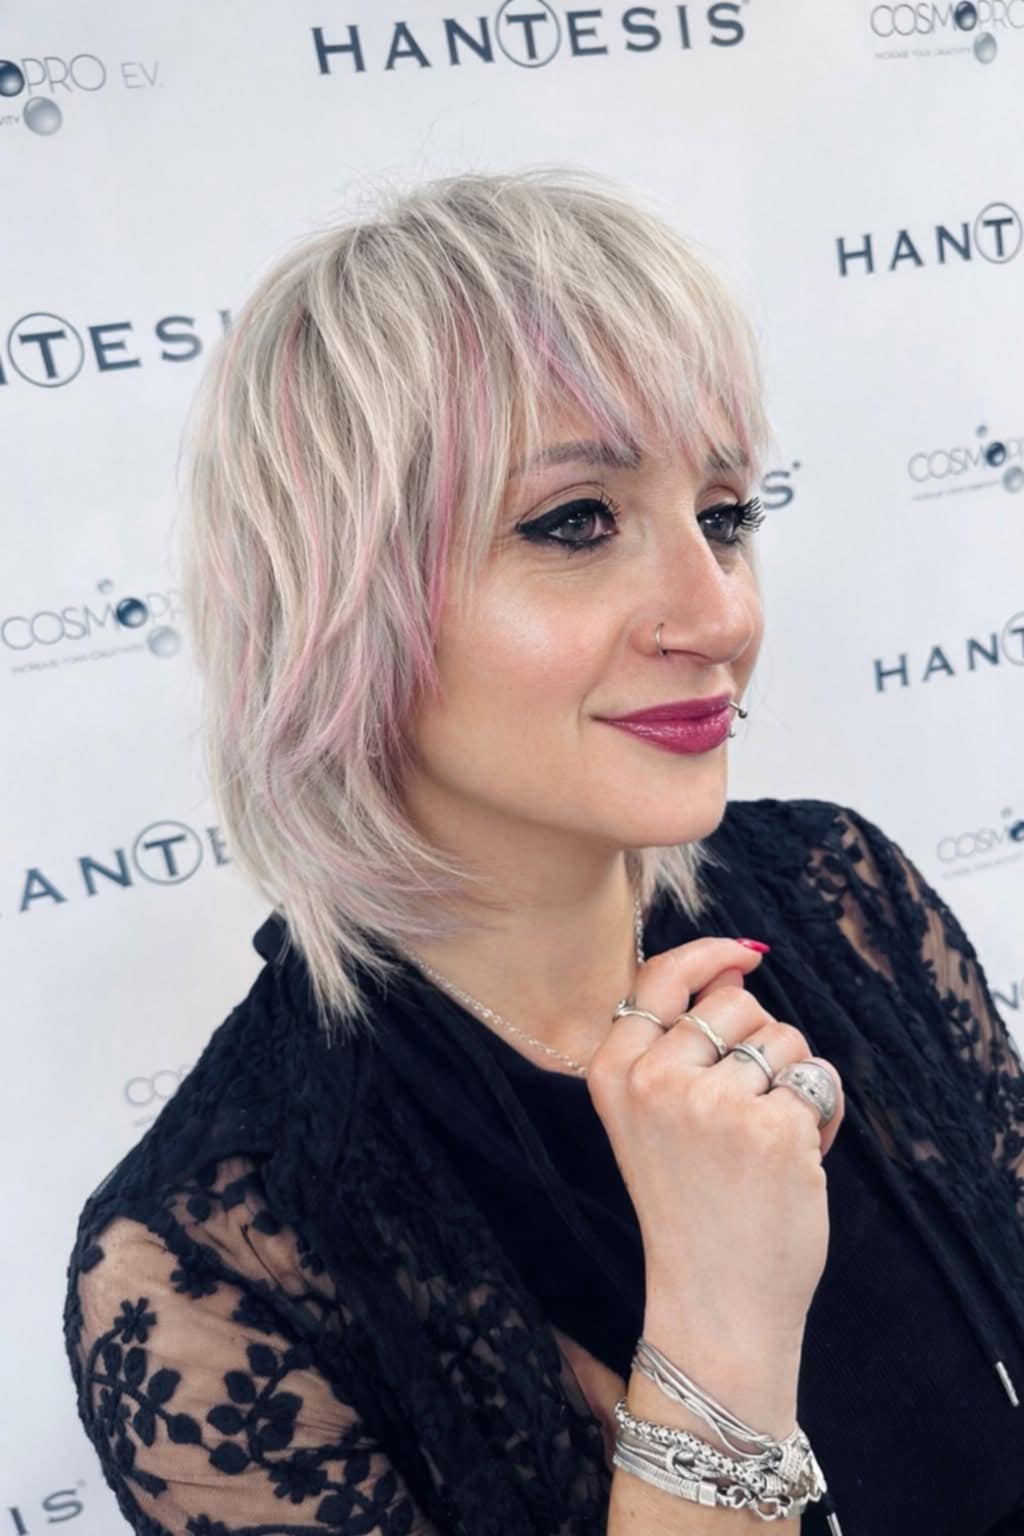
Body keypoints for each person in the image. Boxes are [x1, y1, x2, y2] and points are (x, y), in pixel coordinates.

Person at [62, 166, 1024, 1536]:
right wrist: (718, 1312)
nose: (717, 612)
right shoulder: (210, 1268)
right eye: (575, 522)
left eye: (725, 515)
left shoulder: (841, 894)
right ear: (340, 602)